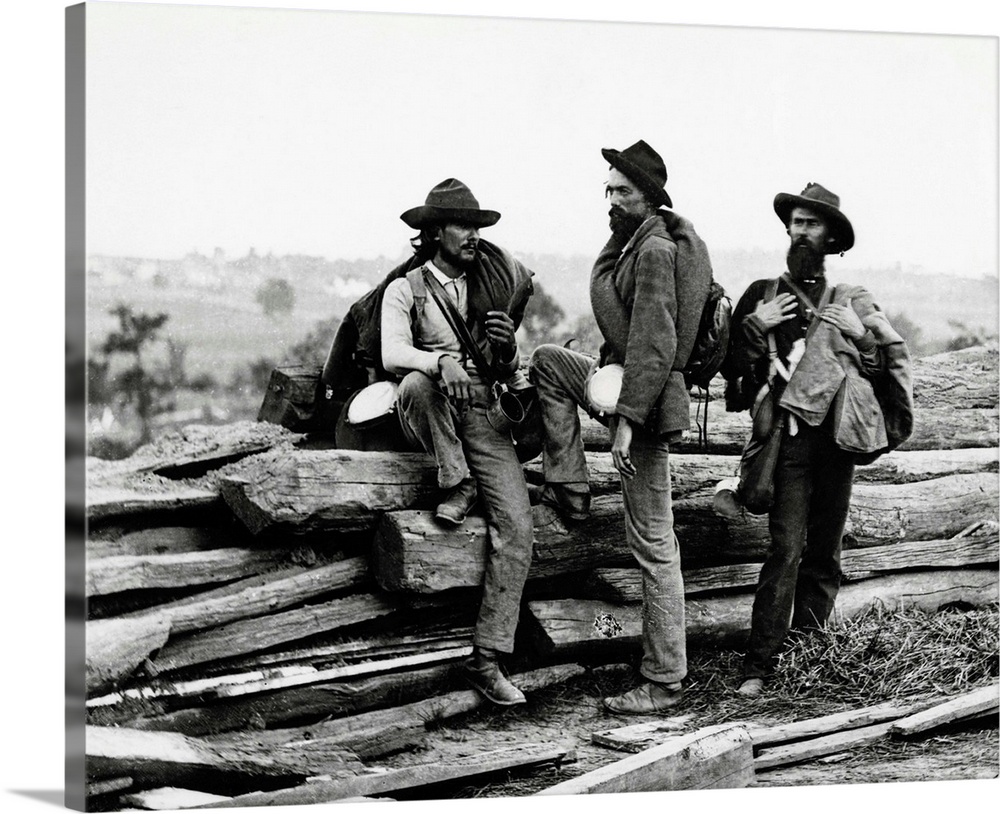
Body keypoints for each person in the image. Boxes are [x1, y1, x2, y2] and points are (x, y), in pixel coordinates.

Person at [528, 140, 712, 714]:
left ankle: (663, 679)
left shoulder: (655, 250)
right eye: (607, 189)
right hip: (624, 382)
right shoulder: (629, 242)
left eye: (623, 191)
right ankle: (572, 485)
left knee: (654, 543)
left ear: (650, 197)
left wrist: (627, 423)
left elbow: (656, 344)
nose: (611, 199)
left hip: (648, 403)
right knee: (549, 363)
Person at [719, 182, 913, 698]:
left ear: (831, 237)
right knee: (784, 550)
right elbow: (733, 381)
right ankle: (759, 666)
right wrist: (753, 331)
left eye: (812, 224)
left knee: (825, 552)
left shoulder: (853, 301)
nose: (800, 231)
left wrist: (860, 333)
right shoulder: (762, 296)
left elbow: (882, 369)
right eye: (796, 222)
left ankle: (809, 657)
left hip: (839, 443)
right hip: (788, 443)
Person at [381, 178, 535, 706]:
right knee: (417, 382)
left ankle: (487, 659)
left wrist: (508, 353)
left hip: (484, 414)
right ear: (433, 232)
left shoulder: (487, 287)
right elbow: (392, 352)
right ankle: (458, 479)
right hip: (433, 409)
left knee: (517, 528)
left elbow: (506, 367)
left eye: (476, 226)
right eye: (461, 226)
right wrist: (437, 359)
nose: (472, 236)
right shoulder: (406, 289)